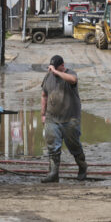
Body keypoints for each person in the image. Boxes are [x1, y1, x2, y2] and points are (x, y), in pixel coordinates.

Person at [40, 55, 87, 183]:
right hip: (52, 117)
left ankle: (82, 167)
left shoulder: (70, 74)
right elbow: (44, 95)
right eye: (51, 68)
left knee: (74, 145)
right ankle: (53, 174)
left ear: (62, 66)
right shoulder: (48, 76)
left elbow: (73, 80)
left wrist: (56, 72)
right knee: (52, 146)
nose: (52, 71)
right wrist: (43, 114)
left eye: (55, 68)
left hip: (70, 118)